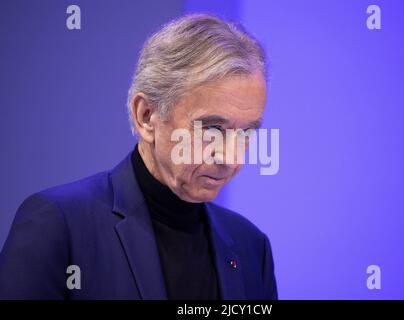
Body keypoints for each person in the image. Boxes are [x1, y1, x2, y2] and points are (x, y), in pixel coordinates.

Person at [0, 14, 277, 300]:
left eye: (245, 133)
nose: (230, 158)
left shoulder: (252, 248)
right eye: (211, 128)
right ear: (146, 116)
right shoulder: (58, 226)